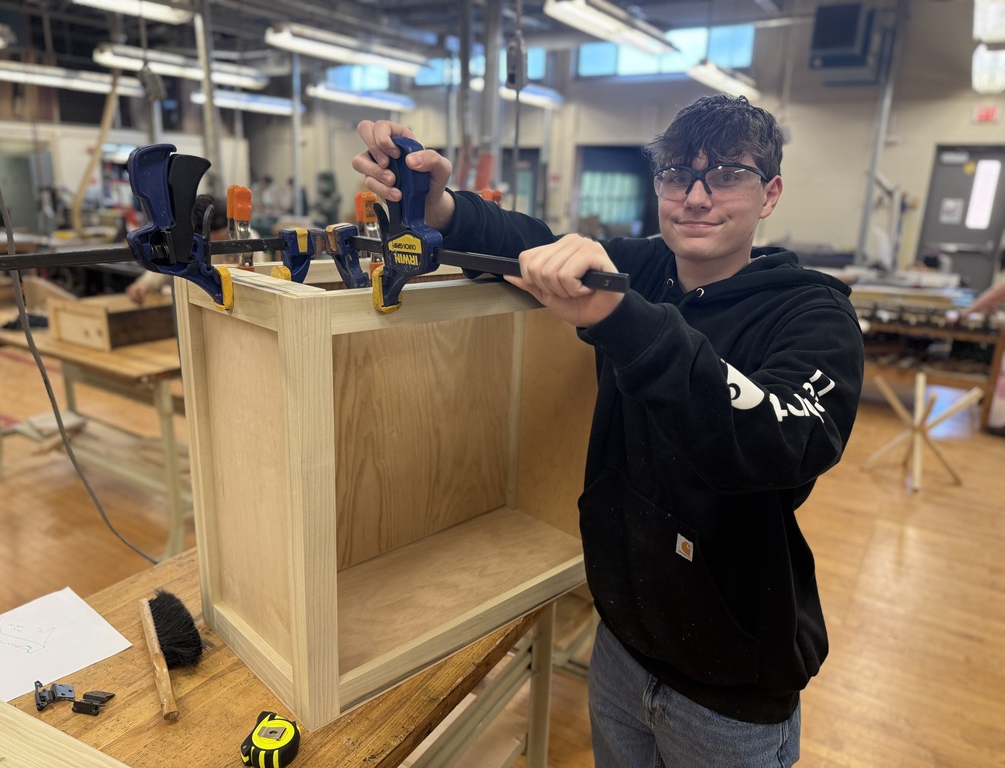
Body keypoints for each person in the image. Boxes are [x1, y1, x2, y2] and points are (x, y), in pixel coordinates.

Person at [353, 95, 865, 767]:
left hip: (729, 688)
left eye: (727, 175)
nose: (697, 196)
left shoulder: (813, 316)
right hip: (622, 643)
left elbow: (776, 445)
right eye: (678, 174)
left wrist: (621, 317)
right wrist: (441, 208)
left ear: (769, 194)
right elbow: (524, 244)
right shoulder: (645, 268)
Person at [126, 195, 262, 304]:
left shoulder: (247, 239)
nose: (212, 243)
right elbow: (171, 267)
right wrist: (144, 284)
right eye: (207, 240)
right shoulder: (191, 241)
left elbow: (255, 282)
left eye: (217, 239)